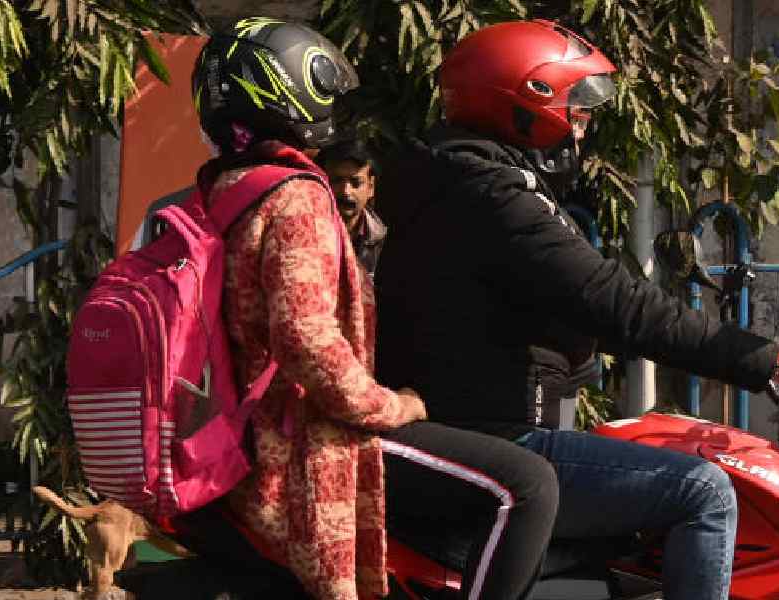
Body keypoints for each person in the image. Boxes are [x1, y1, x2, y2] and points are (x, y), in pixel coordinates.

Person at [373, 19, 779, 600]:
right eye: (573, 108)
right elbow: (617, 303)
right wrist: (763, 358)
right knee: (705, 492)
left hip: (483, 427)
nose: (582, 125)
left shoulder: (456, 179)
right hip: (499, 439)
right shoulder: (492, 196)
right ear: (525, 103)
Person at [188, 18, 558, 600]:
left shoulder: (224, 188)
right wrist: (389, 404)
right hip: (303, 440)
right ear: (286, 89)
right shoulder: (296, 199)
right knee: (528, 484)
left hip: (240, 434)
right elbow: (305, 337)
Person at [318, 139, 386, 274]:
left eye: (356, 183)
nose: (345, 191)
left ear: (371, 187)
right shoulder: (308, 232)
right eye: (336, 181)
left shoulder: (383, 240)